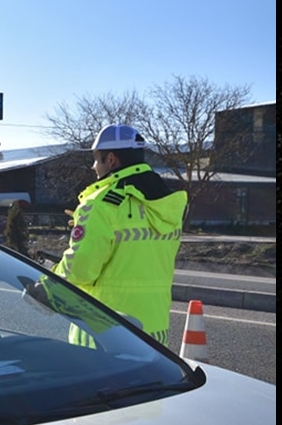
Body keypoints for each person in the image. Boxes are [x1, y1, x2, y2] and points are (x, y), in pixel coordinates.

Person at [52, 124, 189, 347]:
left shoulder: (100, 204)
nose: (94, 166)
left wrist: (49, 281)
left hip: (103, 333)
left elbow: (79, 270)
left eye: (97, 159)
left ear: (112, 159)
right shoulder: (167, 203)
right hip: (155, 332)